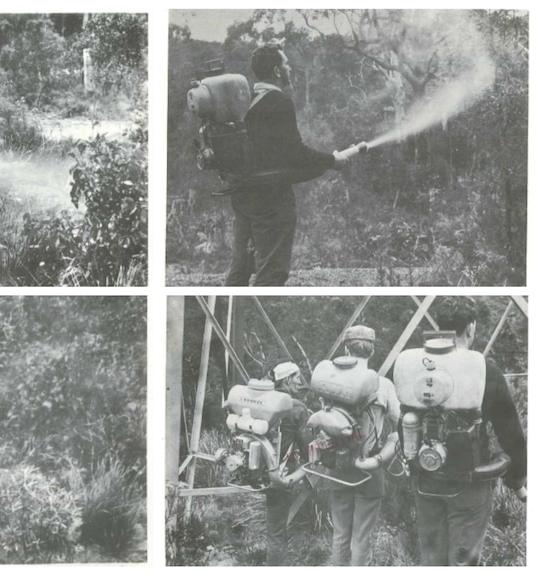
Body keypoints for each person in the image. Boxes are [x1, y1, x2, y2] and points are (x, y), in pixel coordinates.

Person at [408, 298, 527, 565]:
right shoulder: (486, 370)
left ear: (441, 327)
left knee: (431, 560)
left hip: (425, 479)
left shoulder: (414, 367)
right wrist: (517, 480)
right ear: (471, 328)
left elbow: (405, 419)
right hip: (470, 481)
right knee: (463, 562)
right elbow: (510, 433)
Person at [224, 43, 349, 287]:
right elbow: (295, 154)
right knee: (272, 272)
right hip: (271, 202)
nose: (289, 68)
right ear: (277, 71)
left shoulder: (244, 100)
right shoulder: (278, 101)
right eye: (286, 64)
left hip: (243, 197)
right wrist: (332, 160)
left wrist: (326, 163)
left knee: (239, 270)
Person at [328, 325, 400, 566]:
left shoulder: (330, 382)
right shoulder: (384, 385)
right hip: (369, 467)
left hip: (338, 466)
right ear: (372, 352)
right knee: (361, 538)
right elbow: (398, 422)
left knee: (340, 536)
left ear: (346, 350)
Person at [264, 361, 310, 565]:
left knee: (274, 527)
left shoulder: (264, 398)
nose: (300, 381)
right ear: (287, 379)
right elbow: (308, 446)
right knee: (277, 531)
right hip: (281, 474)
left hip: (259, 470)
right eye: (297, 376)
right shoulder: (297, 407)